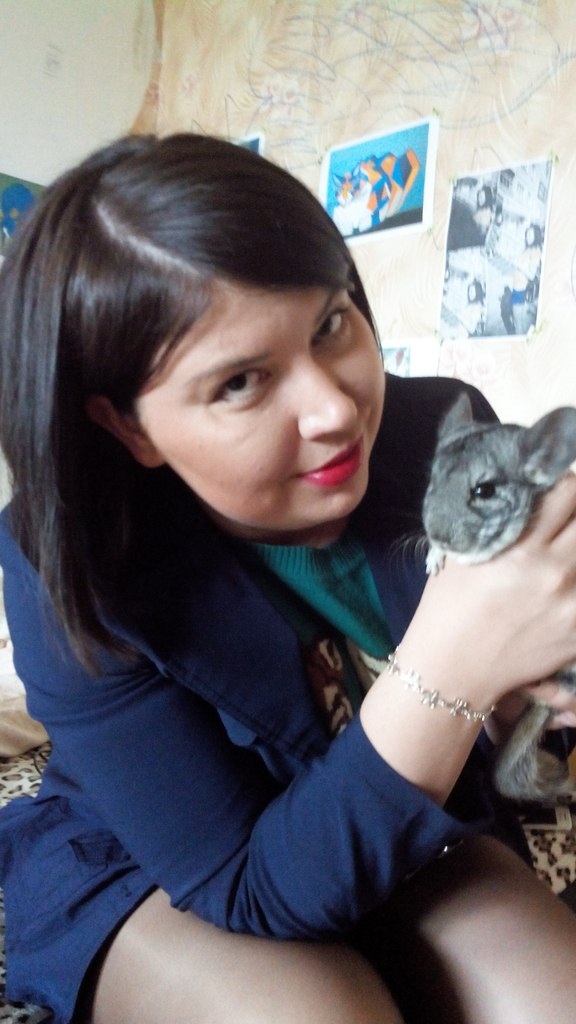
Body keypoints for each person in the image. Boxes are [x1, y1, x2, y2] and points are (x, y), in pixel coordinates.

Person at [1, 134, 576, 1024]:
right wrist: (453, 664)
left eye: (330, 324)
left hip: (387, 803)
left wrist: (538, 679)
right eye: (240, 382)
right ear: (128, 426)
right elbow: (247, 884)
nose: (336, 409)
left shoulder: (437, 432)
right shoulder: (66, 560)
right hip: (167, 856)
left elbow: (506, 718)